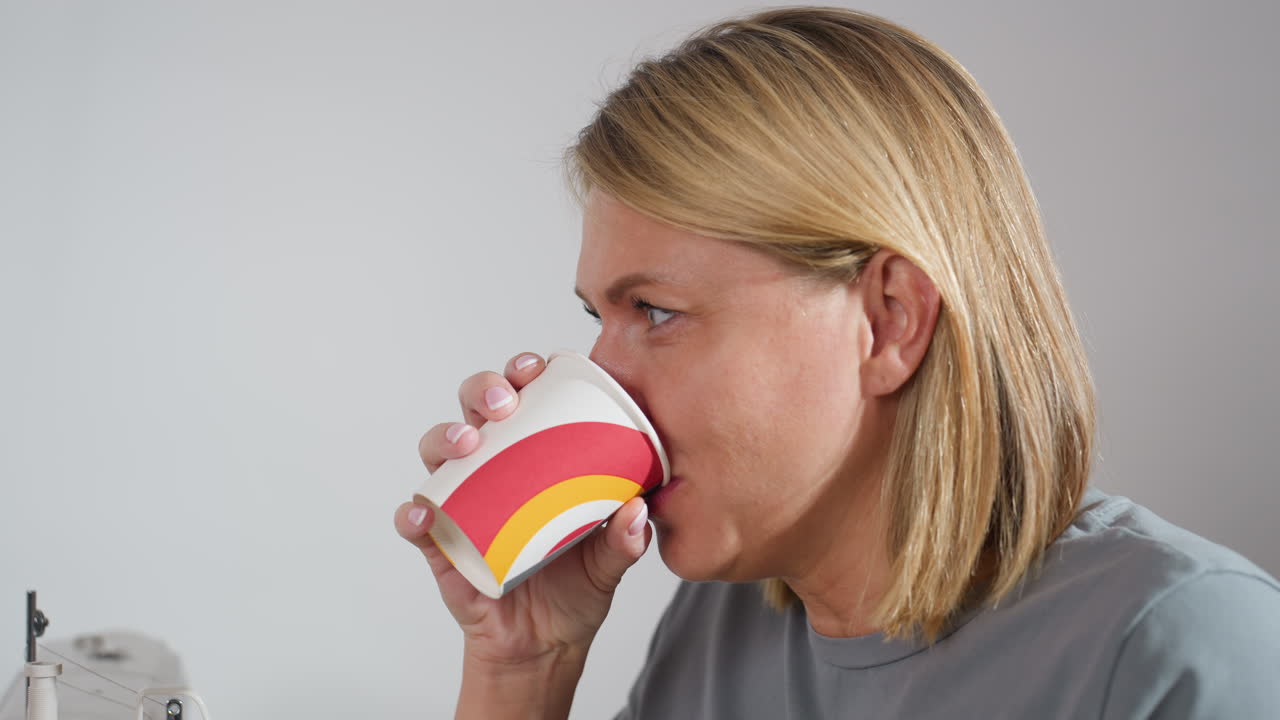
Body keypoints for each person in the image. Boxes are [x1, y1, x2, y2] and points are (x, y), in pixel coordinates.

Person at [393, 7, 1280, 718]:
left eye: (654, 311)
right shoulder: (722, 623)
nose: (600, 372)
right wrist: (522, 668)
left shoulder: (1181, 646)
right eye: (597, 317)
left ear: (890, 322)